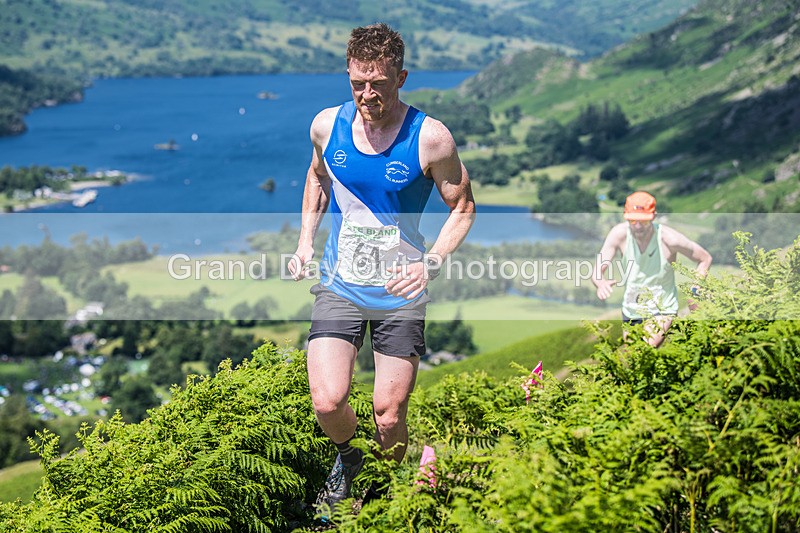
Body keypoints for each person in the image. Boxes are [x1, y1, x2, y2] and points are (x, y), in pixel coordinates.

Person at [288, 23, 475, 519]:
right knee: (328, 401)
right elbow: (317, 176)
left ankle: (385, 491)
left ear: (401, 77)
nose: (367, 95)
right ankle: (351, 461)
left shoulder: (430, 138)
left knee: (388, 415)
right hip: (340, 283)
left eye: (379, 83)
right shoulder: (327, 125)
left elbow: (463, 208)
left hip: (400, 291)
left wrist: (431, 262)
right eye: (357, 84)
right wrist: (306, 240)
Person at [592, 191, 712, 347]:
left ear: (653, 216)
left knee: (644, 350)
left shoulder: (670, 239)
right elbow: (597, 271)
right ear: (625, 216)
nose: (638, 226)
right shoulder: (618, 234)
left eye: (644, 221)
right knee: (633, 360)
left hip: (662, 309)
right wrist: (601, 283)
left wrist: (696, 289)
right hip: (631, 308)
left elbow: (705, 258)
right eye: (633, 220)